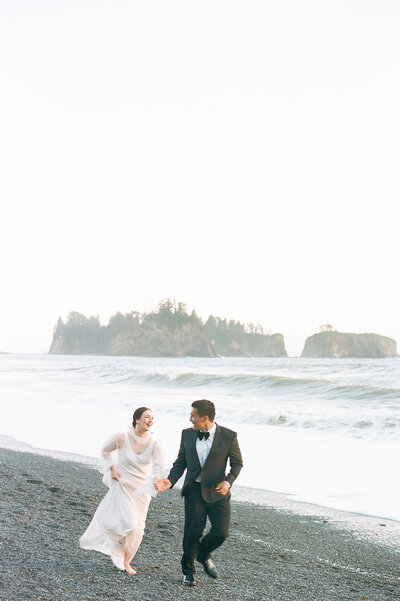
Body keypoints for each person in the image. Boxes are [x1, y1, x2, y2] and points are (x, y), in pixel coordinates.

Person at [156, 399, 243, 586]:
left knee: (221, 533)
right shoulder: (187, 435)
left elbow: (237, 464)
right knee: (192, 533)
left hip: (218, 491)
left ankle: (203, 555)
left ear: (204, 418)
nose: (190, 419)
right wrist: (169, 481)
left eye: (192, 416)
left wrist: (228, 482)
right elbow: (181, 462)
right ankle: (188, 571)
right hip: (194, 490)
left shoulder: (229, 436)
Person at [79, 407, 164, 575]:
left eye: (152, 418)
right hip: (123, 484)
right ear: (137, 420)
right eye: (147, 417)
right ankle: (117, 545)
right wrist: (111, 469)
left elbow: (159, 466)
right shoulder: (121, 438)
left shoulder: (155, 443)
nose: (150, 420)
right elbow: (105, 451)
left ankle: (127, 562)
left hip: (142, 490)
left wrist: (157, 480)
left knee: (138, 529)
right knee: (129, 524)